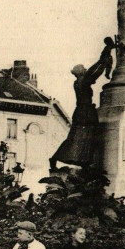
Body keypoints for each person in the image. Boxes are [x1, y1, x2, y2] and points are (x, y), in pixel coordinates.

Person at [49, 41, 114, 170]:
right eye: (83, 69)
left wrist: (102, 61)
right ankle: (57, 158)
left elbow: (93, 73)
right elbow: (93, 72)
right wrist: (102, 61)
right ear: (79, 72)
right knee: (82, 136)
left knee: (82, 136)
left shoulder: (80, 81)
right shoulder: (81, 82)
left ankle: (82, 162)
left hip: (83, 110)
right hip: (85, 111)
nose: (85, 69)